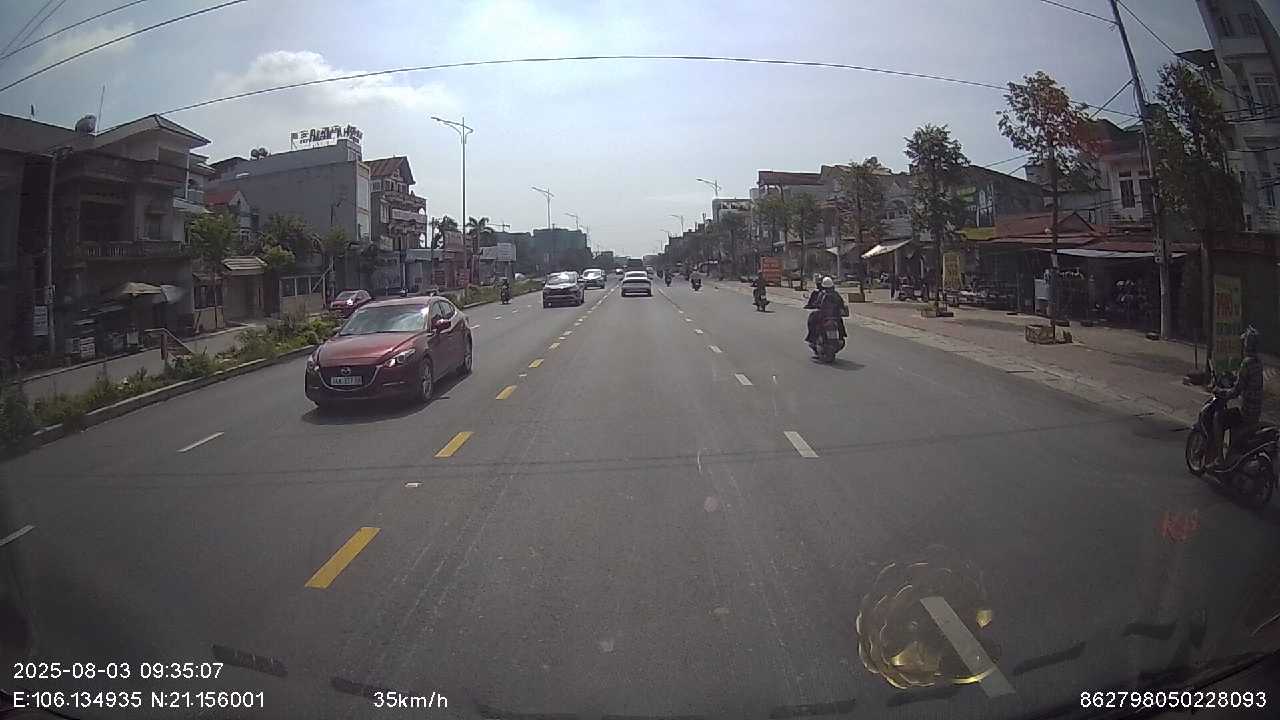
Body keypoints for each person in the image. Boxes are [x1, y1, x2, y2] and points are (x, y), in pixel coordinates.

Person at [1211, 326, 1265, 469]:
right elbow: (1245, 382)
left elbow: (1235, 391)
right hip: (1255, 412)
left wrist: (1221, 392)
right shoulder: (1258, 363)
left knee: (1218, 418)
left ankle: (1220, 459)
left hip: (1245, 412)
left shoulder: (1246, 363)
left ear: (1246, 345)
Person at [804, 276, 848, 347]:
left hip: (823, 316)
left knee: (812, 320)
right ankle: (841, 336)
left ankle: (811, 338)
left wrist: (811, 305)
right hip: (834, 316)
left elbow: (817, 303)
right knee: (840, 323)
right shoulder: (836, 294)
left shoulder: (822, 293)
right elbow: (841, 304)